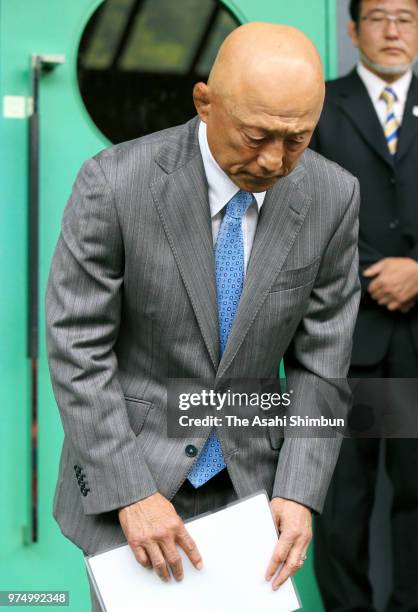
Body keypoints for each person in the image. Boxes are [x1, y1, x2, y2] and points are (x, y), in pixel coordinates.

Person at [45, 22, 360, 612]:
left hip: (255, 490)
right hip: (130, 481)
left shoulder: (333, 196)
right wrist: (132, 492)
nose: (274, 161)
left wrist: (298, 489)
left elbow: (322, 362)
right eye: (256, 136)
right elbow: (77, 345)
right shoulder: (114, 184)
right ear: (204, 103)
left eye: (297, 139)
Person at [310, 1, 418, 610]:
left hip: (415, 337)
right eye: (378, 16)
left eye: (406, 17)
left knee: (416, 493)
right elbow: (293, 214)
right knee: (341, 496)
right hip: (342, 336)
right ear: (353, 31)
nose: (393, 29)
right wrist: (364, 276)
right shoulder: (322, 105)